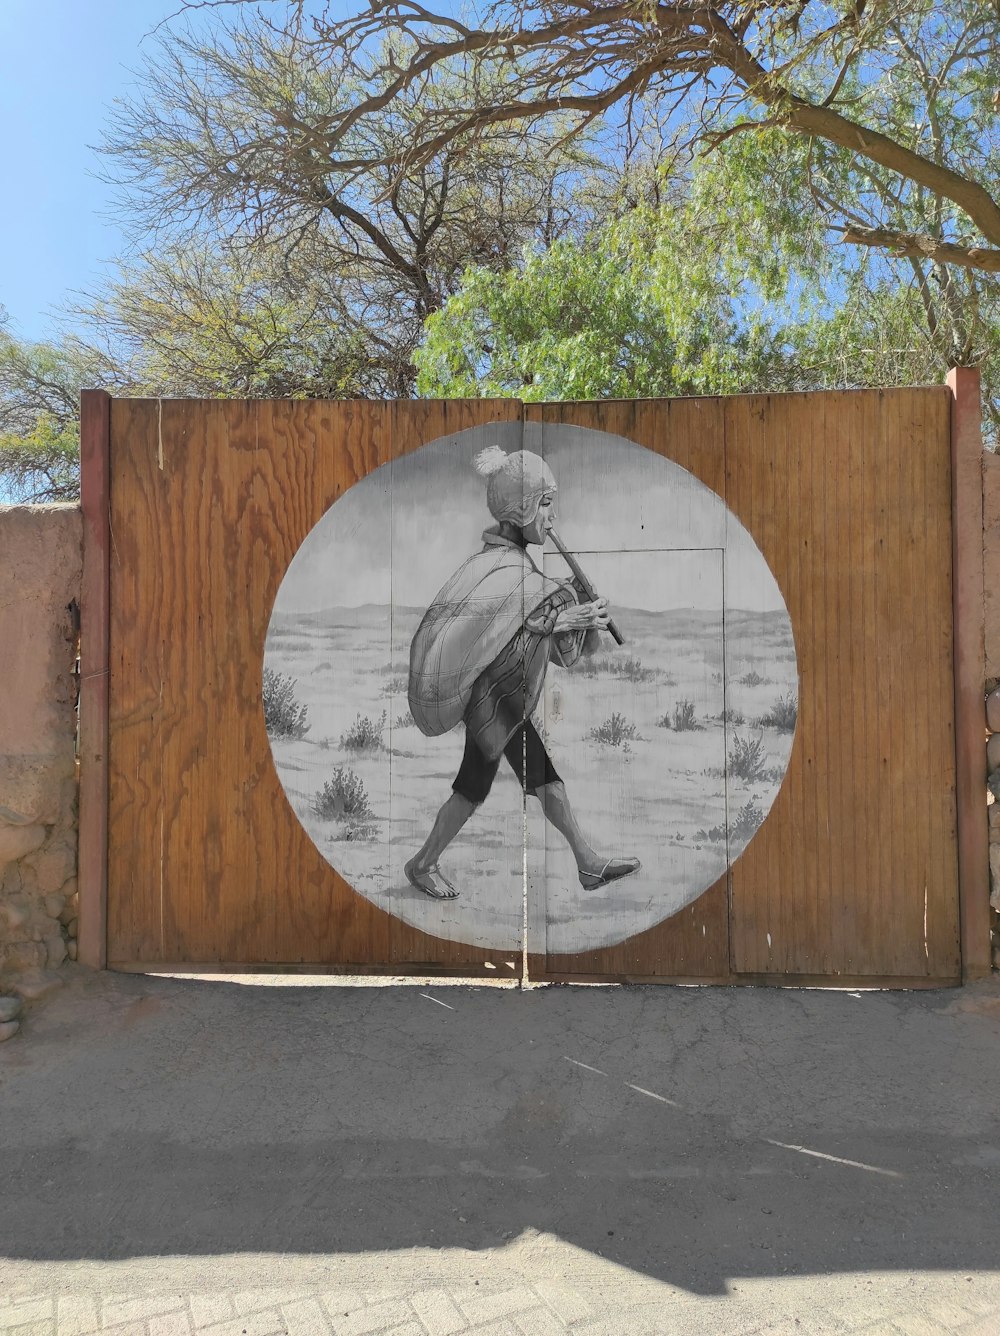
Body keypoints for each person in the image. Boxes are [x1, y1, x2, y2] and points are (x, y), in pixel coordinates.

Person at [404, 445, 640, 899]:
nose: (552, 517)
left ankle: (586, 862)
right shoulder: (499, 571)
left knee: (539, 780)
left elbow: (527, 628)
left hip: (508, 703)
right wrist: (565, 615)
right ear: (523, 508)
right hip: (492, 706)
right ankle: (422, 863)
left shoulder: (521, 574)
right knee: (473, 790)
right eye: (545, 504)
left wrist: (574, 608)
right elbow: (515, 624)